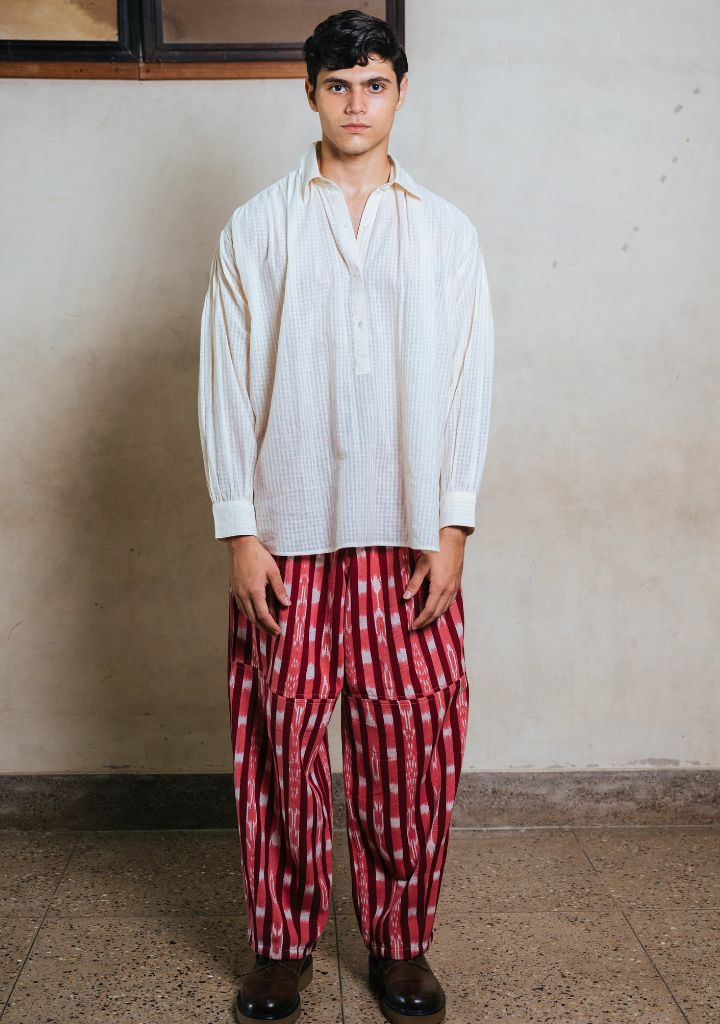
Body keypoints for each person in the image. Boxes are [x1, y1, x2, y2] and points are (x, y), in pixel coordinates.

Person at [198, 10, 494, 1024]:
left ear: (400, 92)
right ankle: (281, 948)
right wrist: (241, 528)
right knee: (280, 741)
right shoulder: (257, 226)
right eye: (338, 85)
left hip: (407, 533)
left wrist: (453, 525)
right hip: (287, 533)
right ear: (311, 94)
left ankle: (401, 944)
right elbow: (225, 384)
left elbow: (468, 384)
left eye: (374, 83)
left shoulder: (446, 232)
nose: (356, 103)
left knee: (411, 742)